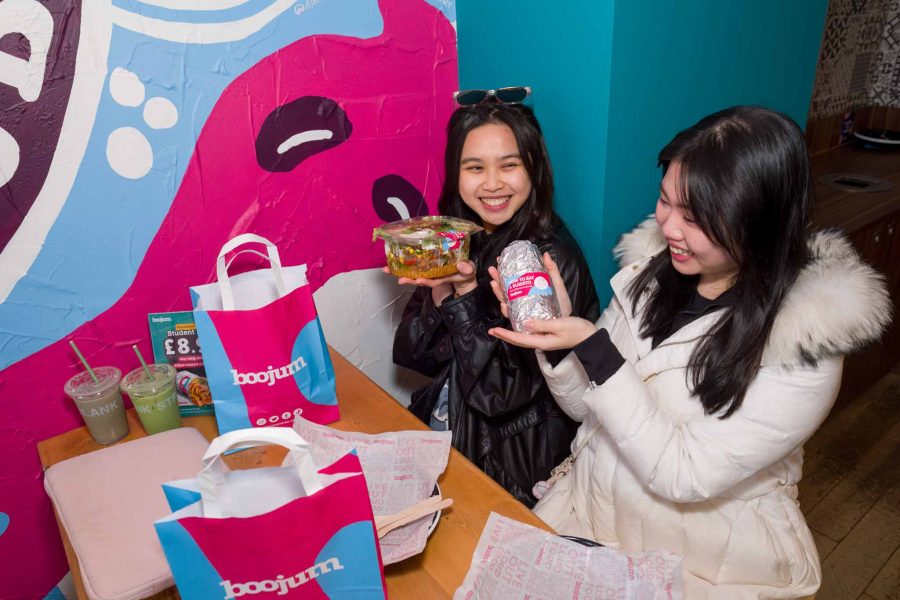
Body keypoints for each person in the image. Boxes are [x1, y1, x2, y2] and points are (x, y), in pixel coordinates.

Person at [487, 106, 891, 598]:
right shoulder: (649, 280)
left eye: (695, 217)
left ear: (758, 223)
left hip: (704, 565)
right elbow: (586, 410)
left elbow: (684, 474)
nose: (669, 226)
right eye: (664, 200)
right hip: (594, 519)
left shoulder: (803, 346)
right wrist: (555, 340)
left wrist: (596, 349)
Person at [392, 100, 600, 507]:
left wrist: (466, 294)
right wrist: (440, 291)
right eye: (474, 168)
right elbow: (410, 354)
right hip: (450, 426)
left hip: (509, 465)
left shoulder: (544, 262)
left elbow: (500, 397)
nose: (492, 184)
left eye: (509, 165)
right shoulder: (460, 239)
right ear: (456, 174)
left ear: (534, 169)